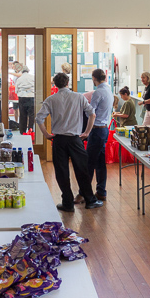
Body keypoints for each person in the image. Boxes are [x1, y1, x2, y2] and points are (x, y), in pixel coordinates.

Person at [35, 72, 103, 212]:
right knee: (82, 170)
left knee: (62, 172)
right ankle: (90, 200)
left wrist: (47, 134)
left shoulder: (51, 99)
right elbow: (92, 114)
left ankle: (67, 203)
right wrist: (87, 133)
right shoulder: (78, 97)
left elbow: (39, 119)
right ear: (68, 83)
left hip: (58, 139)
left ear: (55, 84)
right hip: (75, 139)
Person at [75, 68, 113, 203]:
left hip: (96, 130)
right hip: (104, 130)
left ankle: (83, 193)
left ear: (94, 79)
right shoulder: (109, 91)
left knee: (88, 163)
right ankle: (101, 191)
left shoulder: (98, 93)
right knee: (100, 163)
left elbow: (91, 113)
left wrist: (85, 131)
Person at [14, 64, 35, 134]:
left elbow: (16, 90)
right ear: (28, 71)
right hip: (32, 97)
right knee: (32, 115)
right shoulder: (33, 77)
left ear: (22, 71)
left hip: (22, 97)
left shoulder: (19, 79)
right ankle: (30, 130)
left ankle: (22, 131)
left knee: (23, 115)